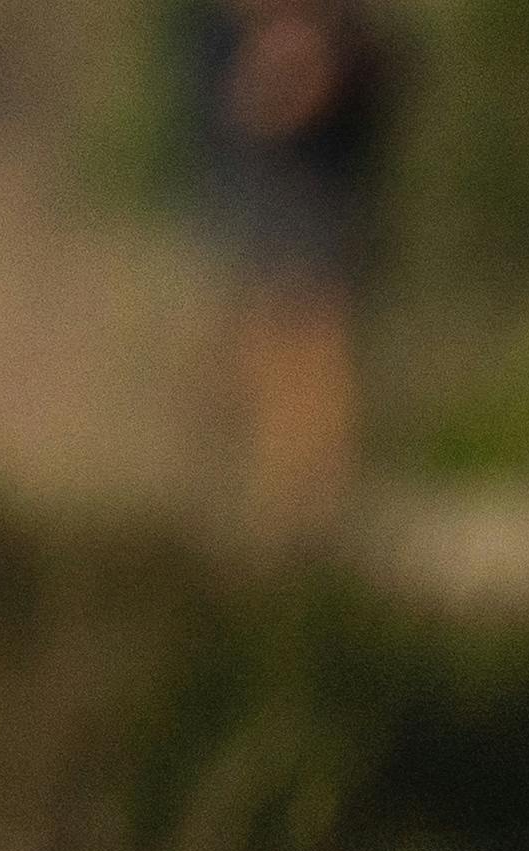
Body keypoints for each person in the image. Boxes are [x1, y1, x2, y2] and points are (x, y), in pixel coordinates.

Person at [184, 0, 400, 531]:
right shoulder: (223, 41)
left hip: (319, 235)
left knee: (312, 356)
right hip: (266, 235)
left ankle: (312, 502)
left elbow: (290, 102)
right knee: (264, 355)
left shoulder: (347, 44)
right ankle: (279, 499)